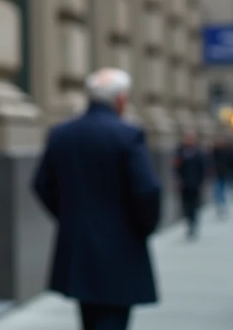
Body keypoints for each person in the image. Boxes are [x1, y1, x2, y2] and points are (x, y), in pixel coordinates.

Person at [34, 68, 161, 330]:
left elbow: (42, 185)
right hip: (121, 247)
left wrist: (70, 216)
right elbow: (147, 190)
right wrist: (142, 227)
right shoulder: (128, 135)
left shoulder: (61, 134)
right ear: (121, 99)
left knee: (89, 318)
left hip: (79, 248)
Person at [173, 131, 208, 238]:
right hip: (184, 184)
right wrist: (177, 180)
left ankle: (194, 223)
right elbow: (176, 167)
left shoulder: (198, 153)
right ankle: (188, 223)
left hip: (195, 183)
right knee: (185, 205)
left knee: (194, 205)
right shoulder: (180, 152)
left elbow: (203, 168)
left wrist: (201, 181)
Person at [211, 137, 233, 216]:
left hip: (224, 173)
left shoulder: (226, 152)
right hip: (217, 173)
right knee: (218, 189)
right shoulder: (215, 152)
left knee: (221, 189)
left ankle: (222, 203)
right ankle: (220, 204)